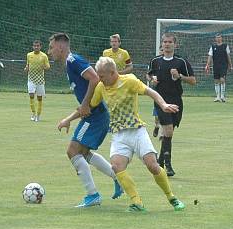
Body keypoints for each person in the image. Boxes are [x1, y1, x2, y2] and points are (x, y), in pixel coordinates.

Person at [59, 57, 186, 213]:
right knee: (117, 167)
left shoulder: (129, 81)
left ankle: (172, 197)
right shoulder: (100, 87)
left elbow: (151, 92)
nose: (99, 79)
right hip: (119, 135)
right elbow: (87, 108)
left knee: (153, 166)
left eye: (102, 76)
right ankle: (137, 203)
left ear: (112, 73)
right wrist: (68, 119)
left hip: (137, 131)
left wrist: (164, 104)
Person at [49, 32, 123, 208]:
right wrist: (70, 118)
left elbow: (95, 78)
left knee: (72, 151)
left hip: (95, 116)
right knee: (83, 153)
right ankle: (118, 178)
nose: (50, 51)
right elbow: (85, 104)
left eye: (52, 47)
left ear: (60, 46)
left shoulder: (73, 60)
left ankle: (92, 195)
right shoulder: (69, 64)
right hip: (95, 114)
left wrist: (83, 105)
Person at [147, 32, 196, 177]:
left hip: (176, 101)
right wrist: (152, 80)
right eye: (164, 42)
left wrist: (179, 76)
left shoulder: (181, 62)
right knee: (167, 131)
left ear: (175, 44)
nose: (167, 44)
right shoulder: (155, 61)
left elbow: (193, 81)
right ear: (161, 44)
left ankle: (159, 162)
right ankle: (167, 166)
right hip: (161, 101)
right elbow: (148, 75)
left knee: (169, 133)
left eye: (169, 42)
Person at [25, 39, 50, 122]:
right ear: (33, 46)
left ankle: (38, 116)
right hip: (31, 79)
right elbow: (28, 65)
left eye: (37, 46)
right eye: (35, 46)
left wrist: (44, 67)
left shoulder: (44, 56)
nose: (36, 47)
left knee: (39, 98)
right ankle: (33, 113)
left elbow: (48, 67)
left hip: (40, 80)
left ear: (40, 47)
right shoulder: (29, 55)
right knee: (31, 95)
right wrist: (26, 68)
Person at [204, 33, 232, 102]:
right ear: (215, 39)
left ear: (221, 38)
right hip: (216, 66)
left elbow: (228, 56)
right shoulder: (213, 47)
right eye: (217, 37)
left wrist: (230, 65)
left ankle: (222, 96)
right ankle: (217, 97)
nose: (218, 38)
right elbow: (210, 56)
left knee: (222, 79)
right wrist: (207, 65)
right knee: (216, 81)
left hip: (223, 65)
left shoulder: (225, 46)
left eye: (219, 37)